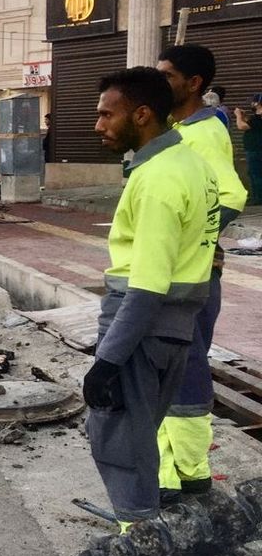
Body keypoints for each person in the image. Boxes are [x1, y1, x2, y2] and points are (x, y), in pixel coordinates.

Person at [85, 67, 218, 531]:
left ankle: (138, 541)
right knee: (140, 432)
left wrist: (107, 361)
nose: (98, 124)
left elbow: (146, 286)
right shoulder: (191, 163)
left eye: (107, 115)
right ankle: (144, 528)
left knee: (118, 435)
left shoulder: (158, 179)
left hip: (141, 325)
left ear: (141, 115)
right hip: (176, 327)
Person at [156, 45, 248, 505]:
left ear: (194, 84)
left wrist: (195, 242)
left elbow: (232, 193)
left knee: (184, 367)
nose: (160, 83)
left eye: (168, 76)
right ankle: (175, 472)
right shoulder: (180, 129)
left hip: (190, 276)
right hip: (179, 273)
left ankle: (186, 473)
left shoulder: (204, 131)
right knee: (172, 367)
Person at [238, 94, 262, 206]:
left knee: (255, 173)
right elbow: (250, 124)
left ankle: (258, 197)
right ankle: (255, 196)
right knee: (253, 173)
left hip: (255, 149)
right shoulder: (256, 118)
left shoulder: (259, 117)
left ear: (258, 104)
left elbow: (241, 126)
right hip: (255, 149)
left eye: (254, 102)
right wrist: (245, 116)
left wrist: (238, 116)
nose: (252, 104)